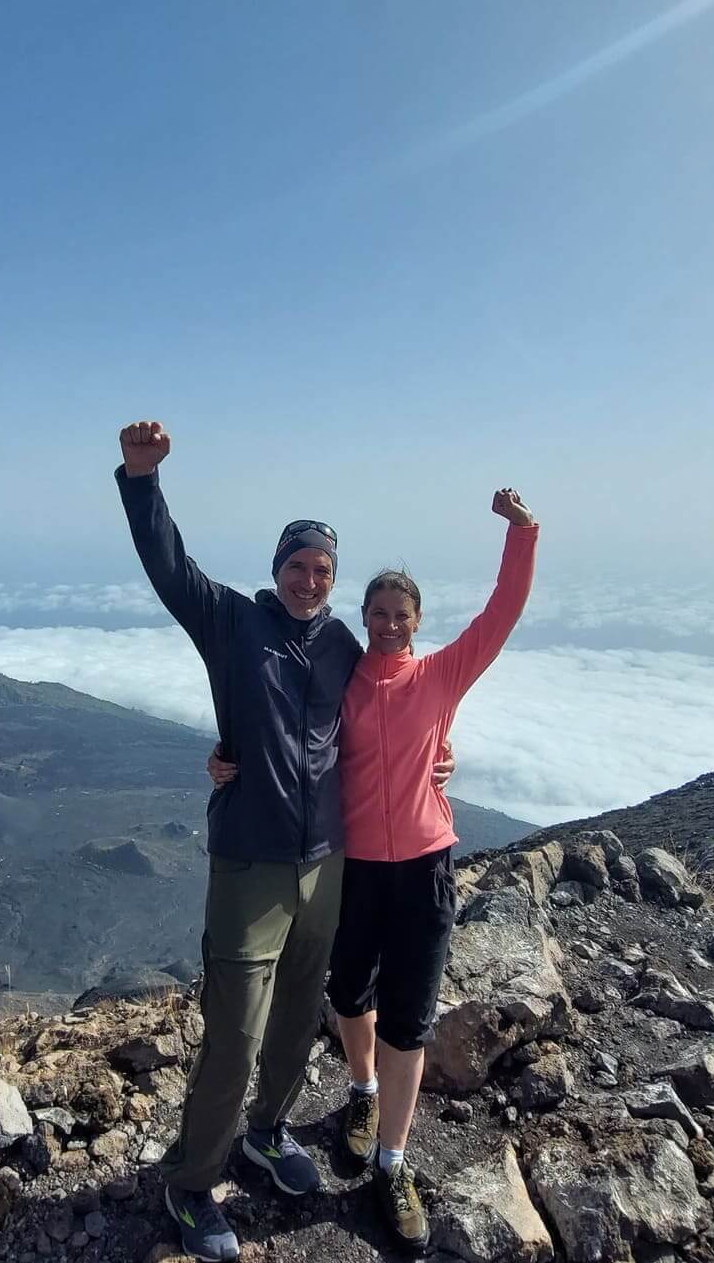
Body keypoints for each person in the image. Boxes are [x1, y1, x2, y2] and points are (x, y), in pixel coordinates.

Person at [113, 420, 454, 1263]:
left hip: (326, 862)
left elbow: (392, 705)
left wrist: (440, 753)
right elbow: (171, 569)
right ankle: (191, 1181)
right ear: (277, 569)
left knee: (301, 1016)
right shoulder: (232, 622)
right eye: (298, 565)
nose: (309, 579)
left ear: (334, 581)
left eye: (323, 570)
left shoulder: (340, 643)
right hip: (251, 862)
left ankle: (267, 1130)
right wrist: (143, 481)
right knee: (235, 1031)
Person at [209, 487, 538, 1252]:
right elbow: (282, 723)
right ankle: (361, 1088)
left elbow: (502, 612)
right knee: (350, 992)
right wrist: (227, 757)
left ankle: (392, 1160)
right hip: (353, 865)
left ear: (418, 621)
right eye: (379, 612)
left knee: (410, 1015)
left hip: (424, 867)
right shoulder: (346, 676)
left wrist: (522, 534)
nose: (390, 623)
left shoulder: (442, 676)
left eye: (402, 614)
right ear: (363, 618)